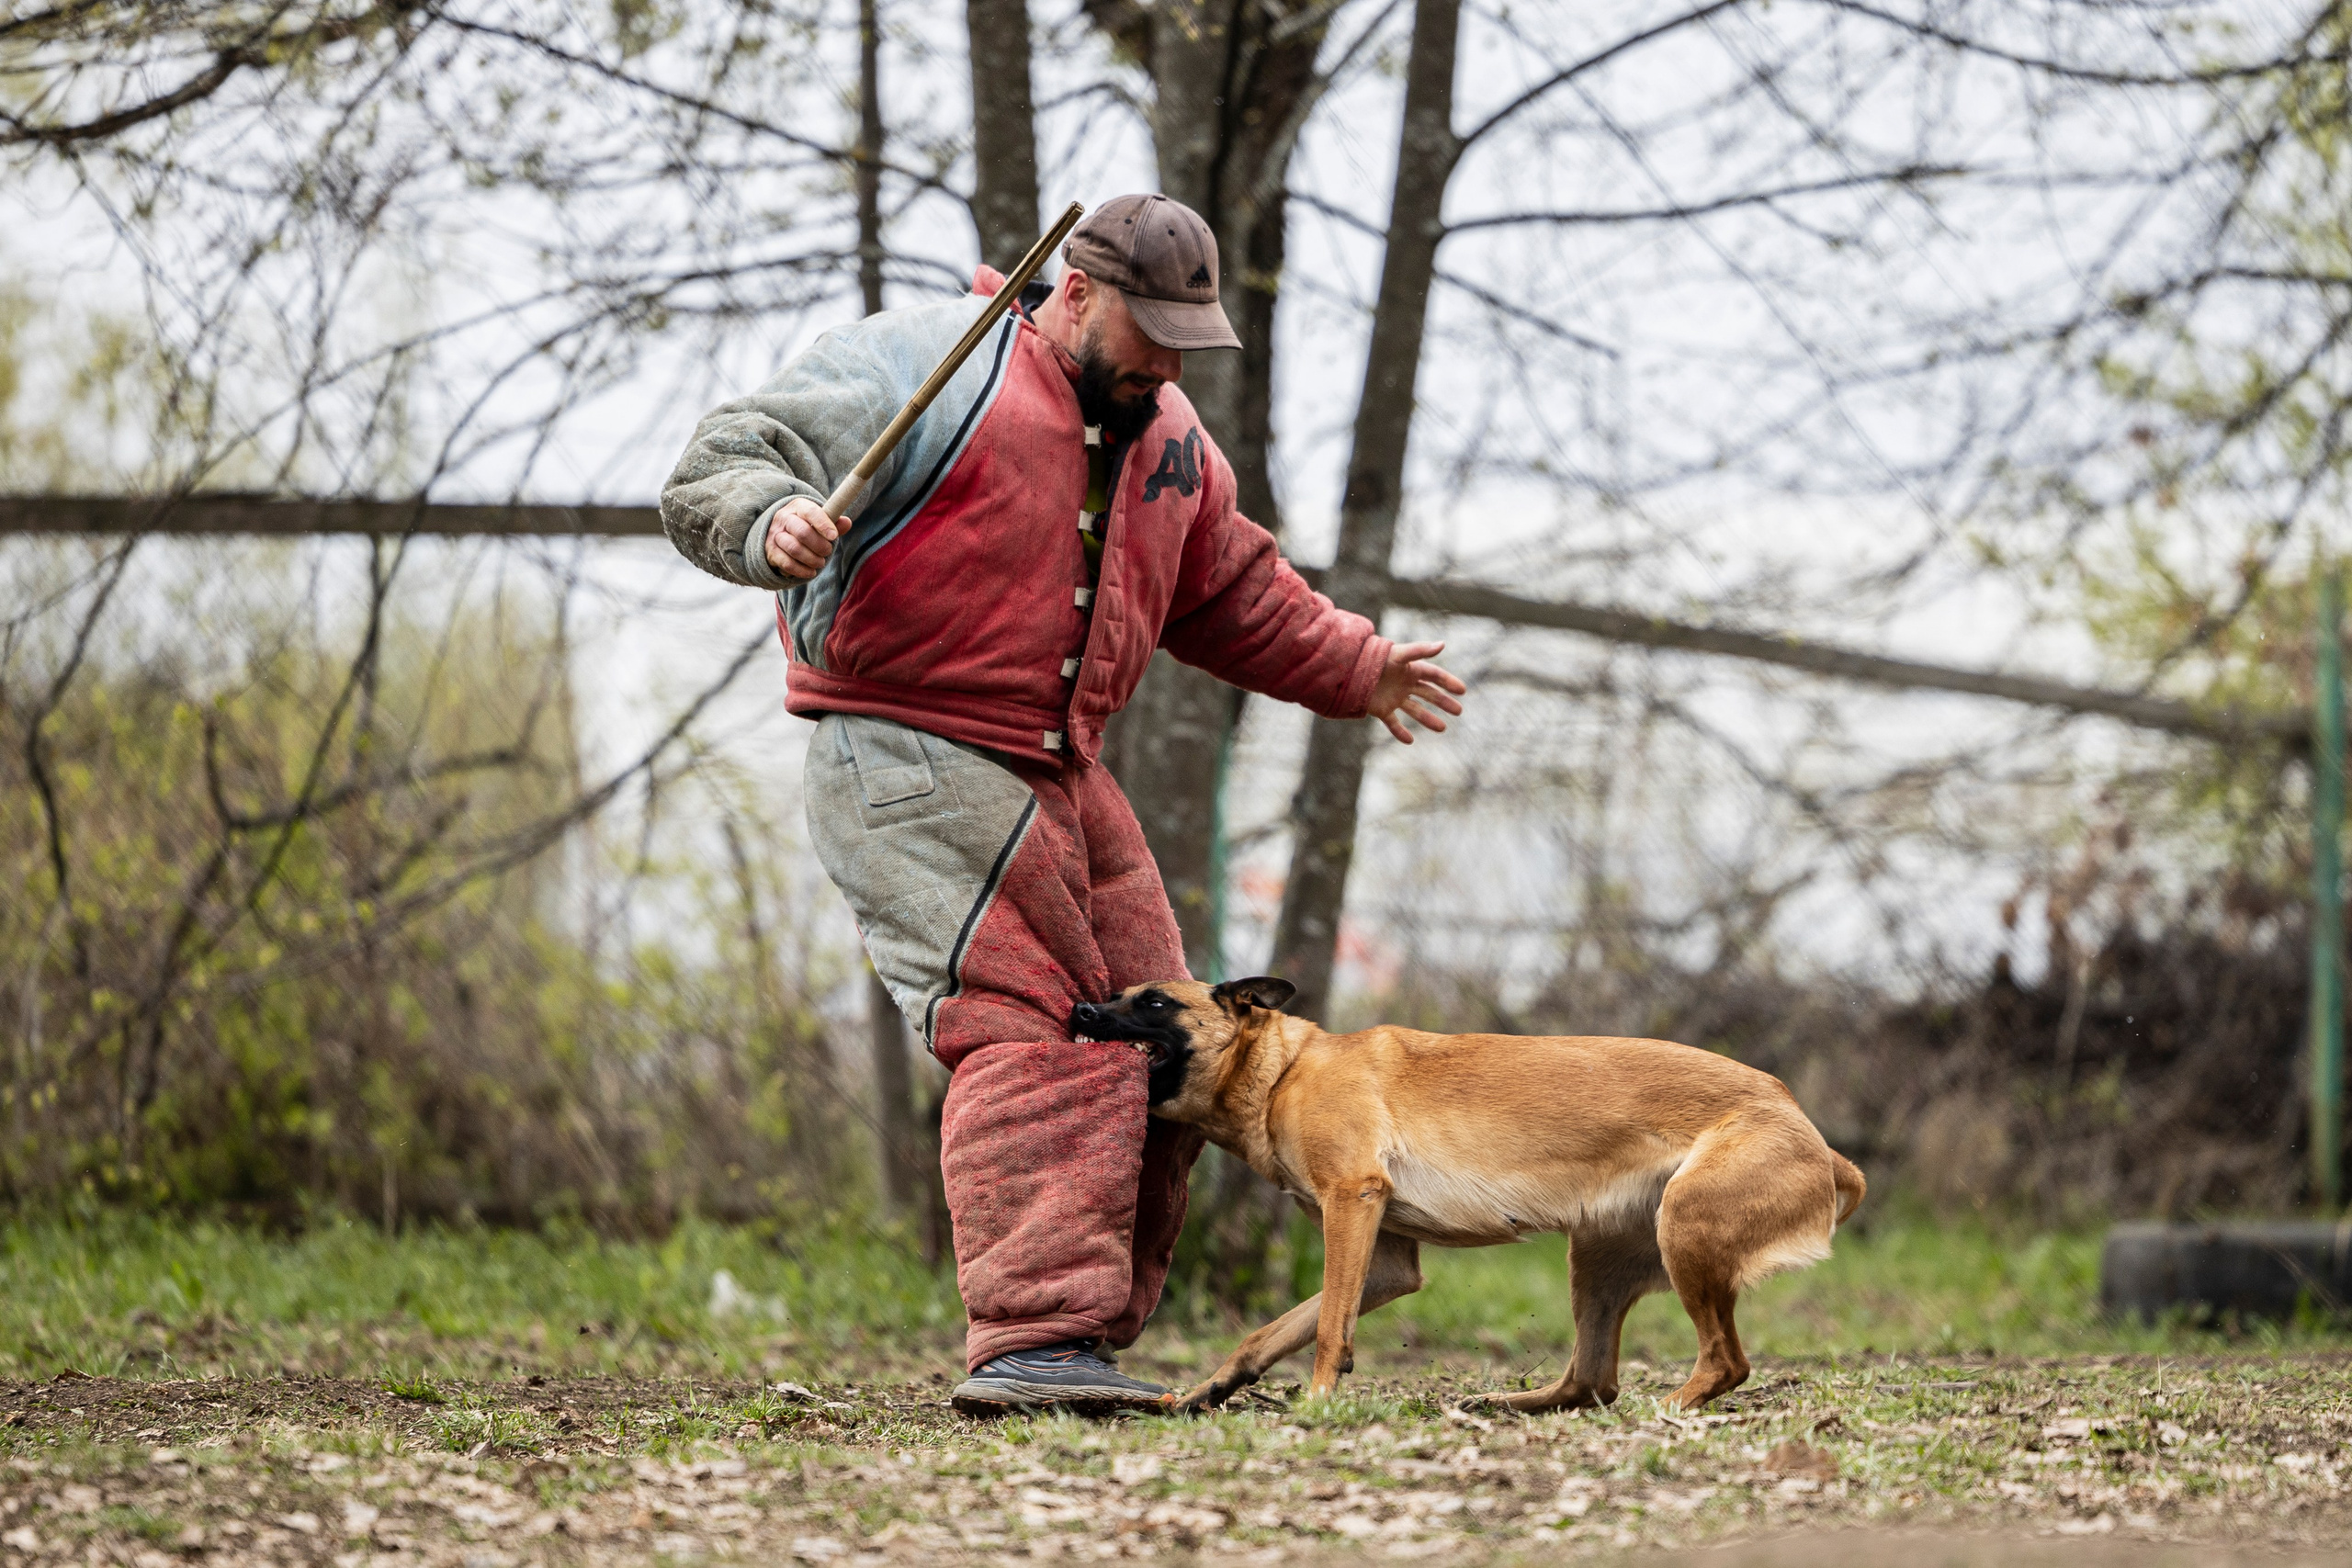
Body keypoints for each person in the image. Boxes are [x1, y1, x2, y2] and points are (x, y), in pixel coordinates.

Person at [660, 194, 1465, 1412]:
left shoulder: (1170, 433)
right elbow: (722, 461)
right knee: (1031, 1023)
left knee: (1177, 1038)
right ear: (1075, 293)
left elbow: (1232, 586)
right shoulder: (922, 365)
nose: (1165, 360)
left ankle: (1088, 1333)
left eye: (1187, 336)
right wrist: (772, 522)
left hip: (1061, 765)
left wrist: (1355, 664)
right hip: (906, 744)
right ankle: (1033, 1340)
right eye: (1150, 331)